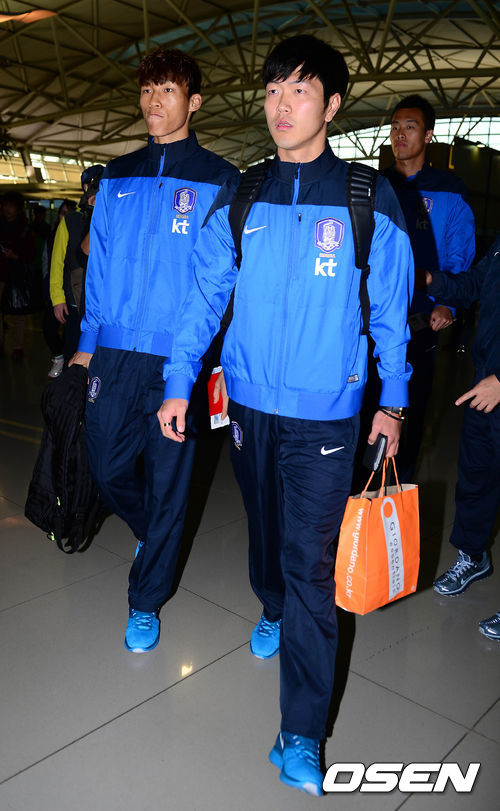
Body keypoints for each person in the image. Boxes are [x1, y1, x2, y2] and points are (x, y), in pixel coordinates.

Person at [158, 35, 413, 796]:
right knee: (266, 532)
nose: (281, 105)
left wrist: (394, 401)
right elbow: (205, 294)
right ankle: (269, 604)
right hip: (246, 405)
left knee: (309, 565)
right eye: (272, 91)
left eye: (299, 91)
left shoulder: (367, 197)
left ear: (331, 106)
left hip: (327, 417)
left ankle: (301, 732)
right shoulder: (244, 194)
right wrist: (179, 381)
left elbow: (391, 312)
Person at [69, 48, 239, 654]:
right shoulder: (116, 176)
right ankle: (154, 532)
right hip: (115, 354)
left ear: (193, 102)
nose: (153, 102)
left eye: (167, 90)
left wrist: (204, 367)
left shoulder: (221, 180)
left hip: (178, 361)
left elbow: (218, 283)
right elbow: (98, 269)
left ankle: (145, 600)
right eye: (146, 90)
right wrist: (86, 346)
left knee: (170, 483)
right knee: (106, 465)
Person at [382, 94, 476, 481]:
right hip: (370, 320)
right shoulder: (375, 185)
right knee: (363, 412)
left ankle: (395, 491)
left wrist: (446, 305)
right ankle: (355, 498)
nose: (400, 134)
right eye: (395, 127)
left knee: (408, 414)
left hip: (418, 322)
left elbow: (460, 256)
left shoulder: (449, 190)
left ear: (429, 135)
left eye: (411, 127)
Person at [427, 237, 500, 641]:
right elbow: (473, 285)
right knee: (475, 477)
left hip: (497, 384)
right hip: (483, 385)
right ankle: (473, 557)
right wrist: (430, 280)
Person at [50, 165, 104, 364]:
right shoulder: (71, 220)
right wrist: (57, 299)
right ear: (85, 187)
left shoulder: (113, 218)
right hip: (75, 301)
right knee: (73, 352)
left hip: (103, 304)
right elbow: (57, 262)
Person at [42, 199, 77, 377]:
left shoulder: (77, 230)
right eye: (62, 212)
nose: (64, 216)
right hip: (56, 290)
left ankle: (63, 362)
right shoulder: (52, 234)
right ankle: (59, 358)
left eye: (68, 213)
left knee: (70, 334)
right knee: (49, 327)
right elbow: (49, 262)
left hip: (71, 292)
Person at [0, 191, 34, 360]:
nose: (7, 209)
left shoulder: (25, 228)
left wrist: (16, 256)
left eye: (11, 206)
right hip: (1, 273)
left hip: (17, 276)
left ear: (18, 209)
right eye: (5, 205)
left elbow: (30, 255)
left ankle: (17, 346)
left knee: (19, 313)